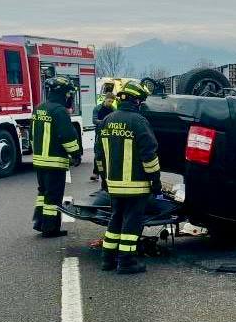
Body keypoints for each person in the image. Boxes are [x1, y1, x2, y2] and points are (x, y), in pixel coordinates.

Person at [95, 81, 161, 274]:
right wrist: (155, 180)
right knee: (132, 223)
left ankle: (107, 259)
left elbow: (99, 155)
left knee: (115, 220)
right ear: (136, 101)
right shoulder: (138, 121)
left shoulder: (107, 120)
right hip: (136, 186)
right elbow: (149, 154)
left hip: (114, 185)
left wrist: (104, 180)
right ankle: (126, 262)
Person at [32, 76, 83, 238]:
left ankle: (39, 222)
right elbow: (67, 136)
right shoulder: (59, 111)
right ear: (62, 94)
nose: (69, 97)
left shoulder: (39, 108)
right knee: (53, 196)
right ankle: (50, 229)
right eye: (68, 94)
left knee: (43, 193)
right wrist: (75, 154)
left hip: (40, 160)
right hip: (54, 162)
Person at [90, 92, 116, 181]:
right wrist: (105, 122)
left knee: (110, 154)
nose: (110, 103)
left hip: (110, 134)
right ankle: (96, 172)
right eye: (109, 101)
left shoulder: (113, 110)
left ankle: (108, 173)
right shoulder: (97, 108)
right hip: (99, 133)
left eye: (112, 102)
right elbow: (94, 120)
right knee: (98, 154)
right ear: (105, 99)